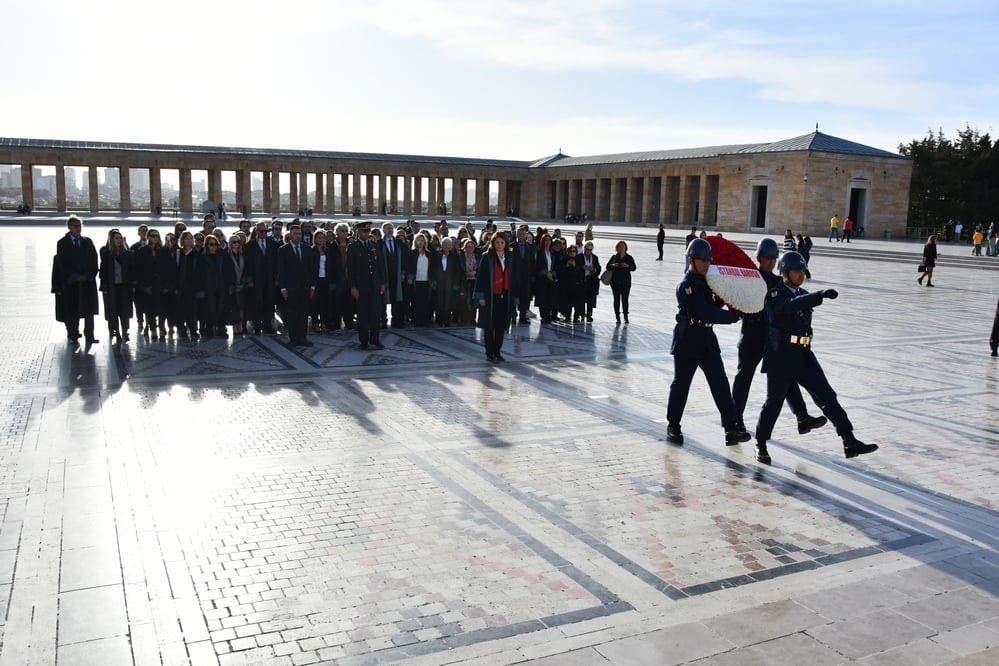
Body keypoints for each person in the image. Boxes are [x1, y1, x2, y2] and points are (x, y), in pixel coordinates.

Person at [753, 251, 879, 464]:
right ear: (784, 272)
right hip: (781, 356)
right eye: (796, 271)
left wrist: (812, 296)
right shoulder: (776, 294)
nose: (801, 274)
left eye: (803, 270)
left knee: (827, 397)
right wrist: (817, 296)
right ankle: (761, 443)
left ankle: (849, 440)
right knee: (773, 403)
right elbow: (787, 307)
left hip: (803, 355)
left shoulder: (801, 293)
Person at [731, 238, 827, 436]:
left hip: (771, 339)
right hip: (751, 337)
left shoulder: (777, 282)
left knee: (786, 376)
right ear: (758, 258)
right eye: (767, 258)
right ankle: (735, 421)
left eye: (774, 259)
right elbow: (738, 302)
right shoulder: (749, 278)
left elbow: (792, 301)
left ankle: (802, 416)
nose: (771, 262)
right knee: (744, 379)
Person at [665, 238, 751, 445]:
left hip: (706, 340)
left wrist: (731, 298)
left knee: (720, 383)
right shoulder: (686, 286)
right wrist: (733, 317)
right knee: (681, 385)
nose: (706, 264)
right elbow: (704, 311)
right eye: (702, 260)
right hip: (688, 340)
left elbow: (715, 304)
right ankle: (673, 426)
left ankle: (731, 428)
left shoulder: (709, 282)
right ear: (691, 260)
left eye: (708, 260)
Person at [55, 215, 100, 345]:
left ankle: (90, 336)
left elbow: (94, 260)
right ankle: (73, 334)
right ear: (69, 227)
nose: (78, 228)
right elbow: (63, 263)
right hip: (71, 283)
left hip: (87, 282)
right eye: (75, 226)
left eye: (80, 225)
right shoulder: (62, 243)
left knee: (89, 311)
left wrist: (88, 275)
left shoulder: (88, 241)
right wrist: (75, 276)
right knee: (72, 309)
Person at [475, 232, 517, 363]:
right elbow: (480, 277)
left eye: (502, 243)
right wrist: (480, 296)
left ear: (506, 244)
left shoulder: (510, 257)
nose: (499, 245)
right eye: (497, 242)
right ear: (493, 243)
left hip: (505, 296)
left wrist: (515, 296)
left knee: (500, 325)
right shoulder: (487, 257)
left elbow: (515, 278)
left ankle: (497, 351)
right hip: (490, 297)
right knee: (489, 325)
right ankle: (489, 352)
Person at [346, 220, 387, 349]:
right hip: (361, 286)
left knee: (376, 313)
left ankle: (375, 339)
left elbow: (380, 265)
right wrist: (352, 286)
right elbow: (350, 269)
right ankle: (363, 341)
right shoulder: (353, 247)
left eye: (368, 231)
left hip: (374, 285)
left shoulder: (374, 245)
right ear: (358, 232)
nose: (366, 233)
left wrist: (382, 282)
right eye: (364, 231)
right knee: (362, 315)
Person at [277, 223, 316, 347]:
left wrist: (312, 286)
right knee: (292, 314)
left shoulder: (307, 249)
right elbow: (281, 271)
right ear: (290, 235)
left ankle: (303, 337)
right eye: (295, 233)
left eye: (299, 233)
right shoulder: (283, 250)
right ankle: (293, 338)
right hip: (291, 288)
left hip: (305, 287)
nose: (298, 236)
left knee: (304, 313)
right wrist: (282, 288)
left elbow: (311, 268)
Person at [134, 228, 173, 339]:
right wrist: (143, 286)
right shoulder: (142, 251)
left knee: (162, 308)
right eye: (152, 236)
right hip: (148, 284)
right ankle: (152, 329)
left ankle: (161, 328)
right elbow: (138, 270)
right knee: (149, 308)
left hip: (161, 284)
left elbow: (170, 269)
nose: (155, 238)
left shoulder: (164, 251)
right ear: (148, 237)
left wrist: (168, 286)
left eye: (157, 236)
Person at [99, 228, 134, 343]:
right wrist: (104, 287)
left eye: (120, 238)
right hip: (112, 288)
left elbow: (132, 270)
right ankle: (116, 332)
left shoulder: (127, 254)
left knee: (124, 311)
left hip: (124, 287)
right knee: (113, 311)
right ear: (112, 240)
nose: (119, 240)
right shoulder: (107, 254)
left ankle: (125, 331)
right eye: (116, 238)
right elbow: (103, 272)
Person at [510, 225, 535, 325]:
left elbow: (532, 262)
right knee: (513, 297)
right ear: (517, 235)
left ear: (526, 235)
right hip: (514, 277)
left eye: (523, 234)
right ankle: (512, 316)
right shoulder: (511, 246)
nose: (521, 236)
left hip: (526, 278)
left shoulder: (529, 247)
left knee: (524, 298)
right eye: (519, 234)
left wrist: (532, 276)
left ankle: (522, 317)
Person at [607, 240, 636, 324]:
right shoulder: (614, 257)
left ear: (625, 248)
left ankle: (626, 316)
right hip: (615, 282)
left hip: (625, 282)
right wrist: (613, 265)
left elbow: (634, 268)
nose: (621, 248)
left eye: (622, 246)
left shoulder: (629, 257)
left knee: (625, 299)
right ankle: (617, 317)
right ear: (617, 248)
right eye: (619, 246)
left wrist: (627, 266)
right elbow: (607, 267)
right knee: (616, 299)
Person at [580, 241, 601, 322]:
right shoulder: (580, 256)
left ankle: (589, 315)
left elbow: (599, 268)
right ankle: (581, 314)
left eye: (590, 250)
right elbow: (577, 266)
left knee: (590, 299)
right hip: (582, 280)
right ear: (584, 248)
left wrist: (594, 269)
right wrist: (583, 267)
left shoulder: (595, 257)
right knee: (581, 298)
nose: (588, 251)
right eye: (587, 249)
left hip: (591, 281)